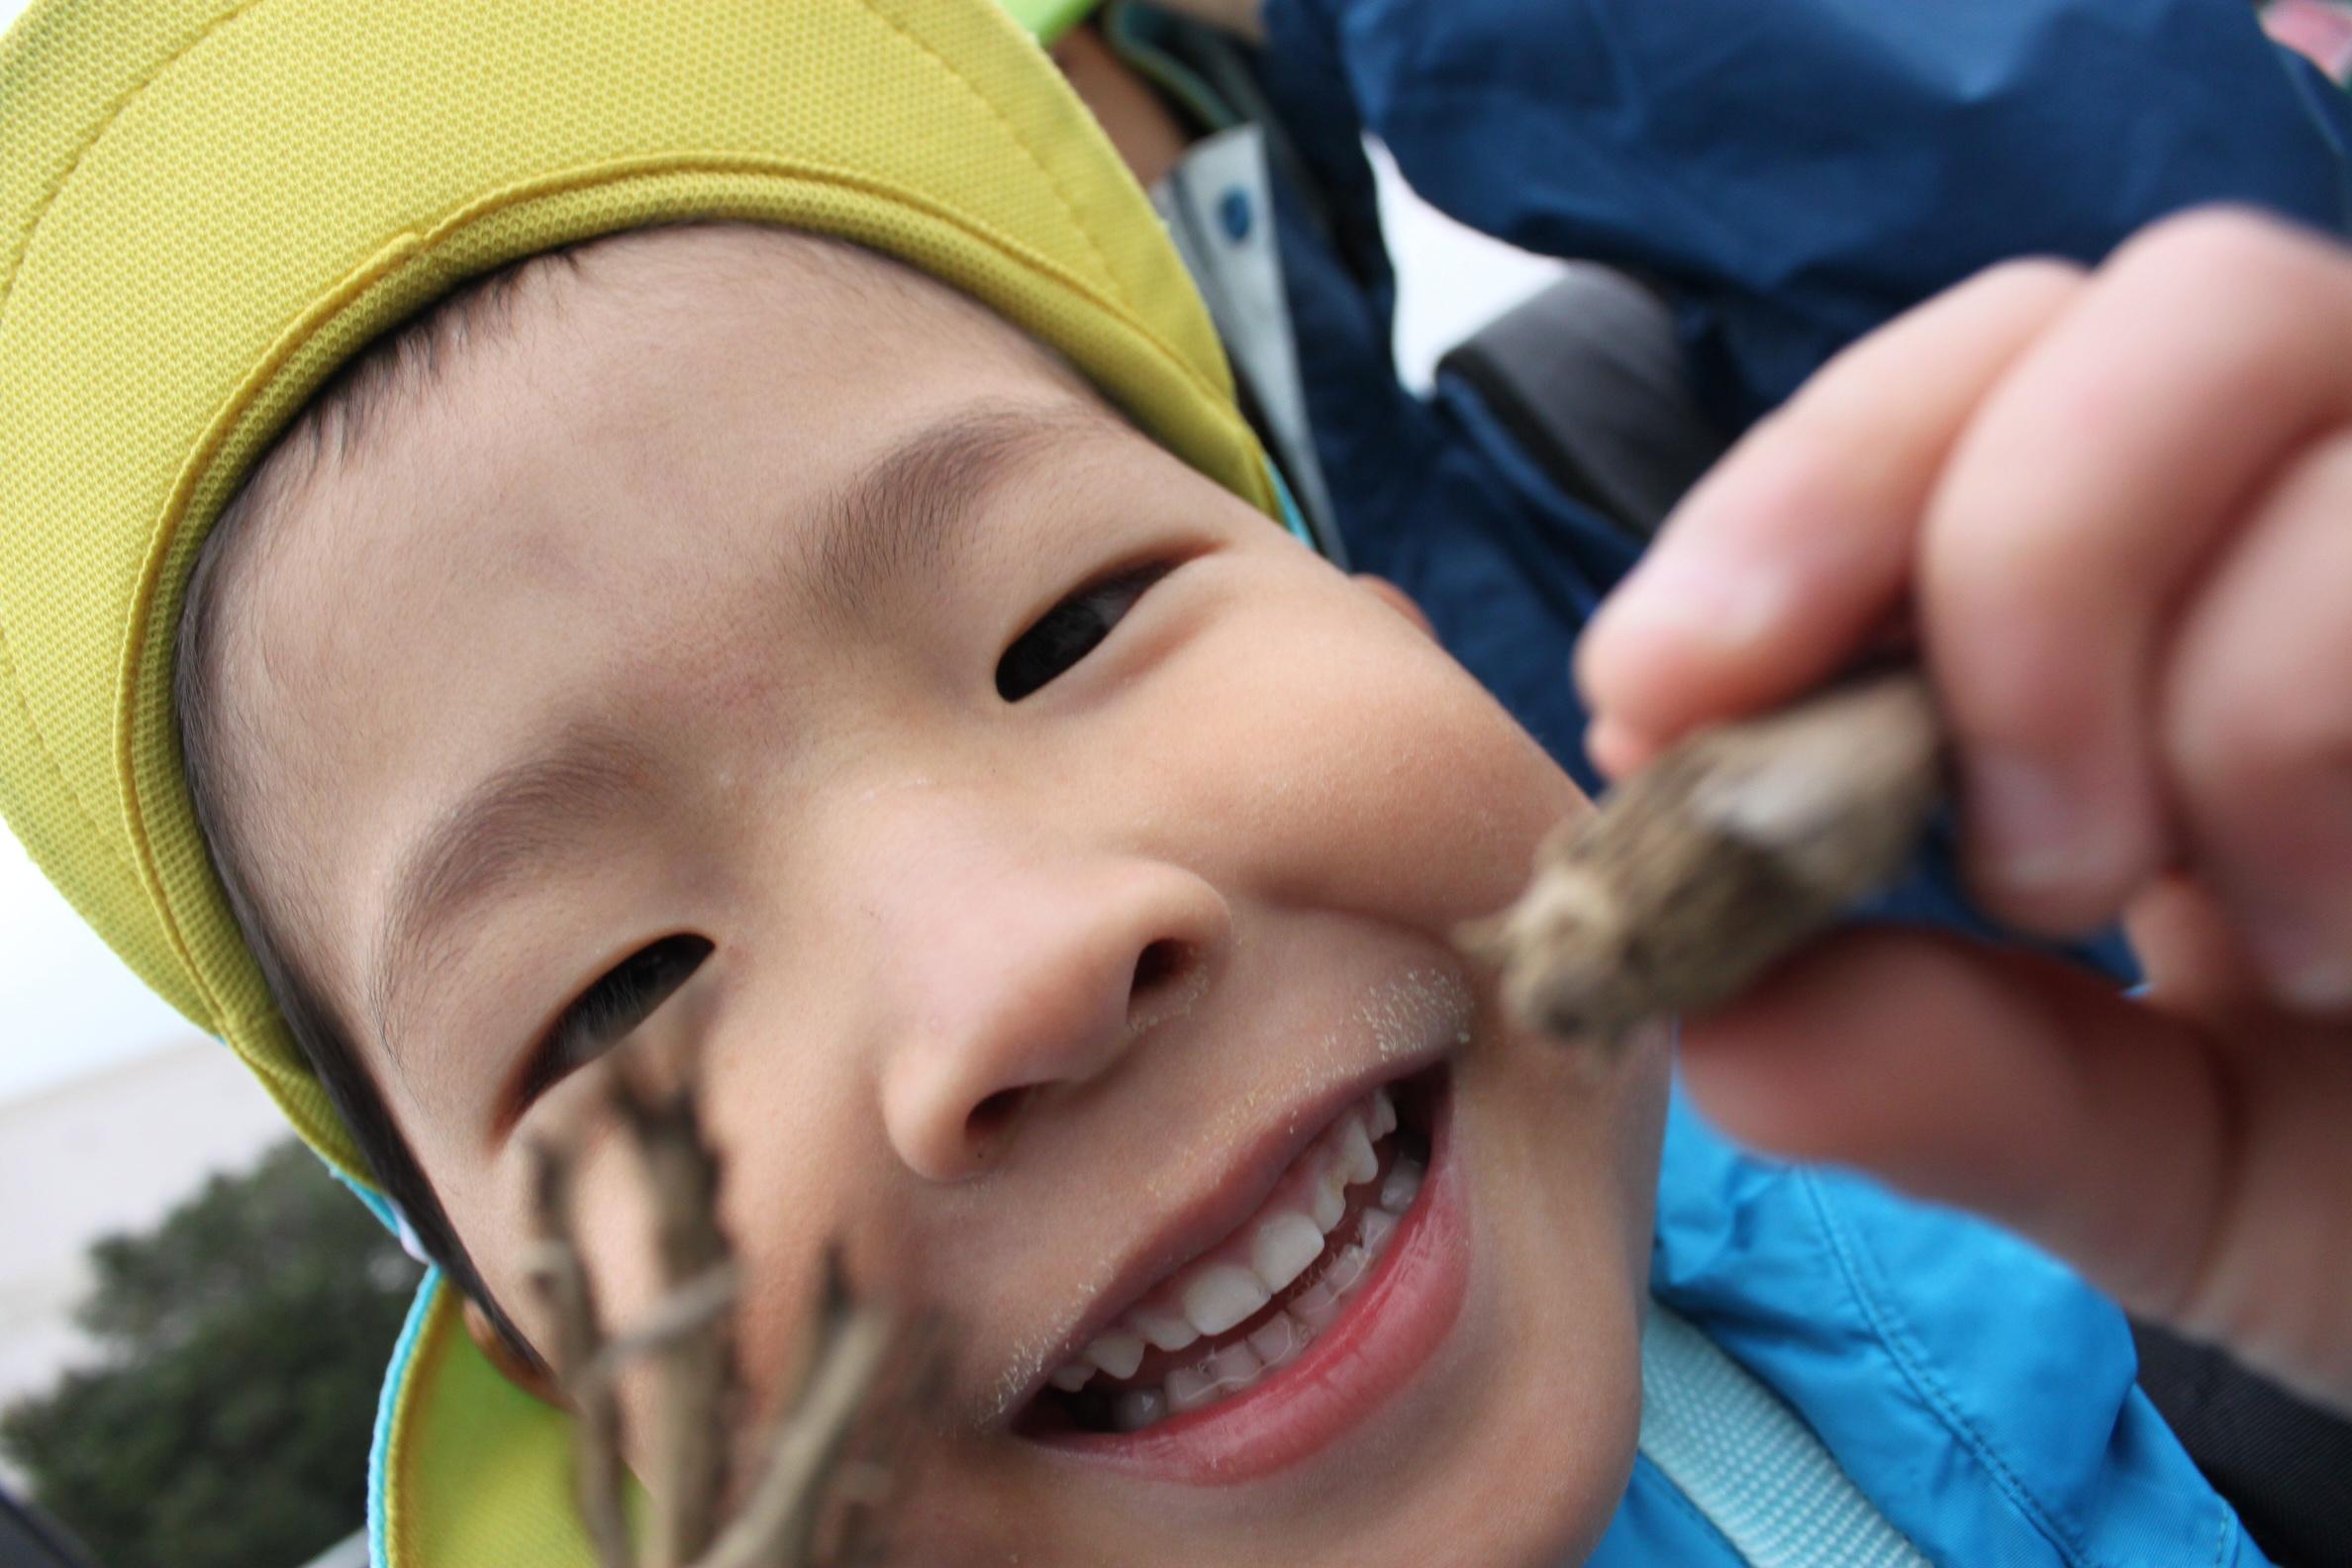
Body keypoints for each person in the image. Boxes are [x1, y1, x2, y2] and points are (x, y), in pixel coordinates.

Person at [0, 2, 2347, 1564]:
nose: (1020, 966)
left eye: (1071, 625)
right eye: (615, 994)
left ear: (1376, 600)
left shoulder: (2045, 1309)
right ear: (547, 1360)